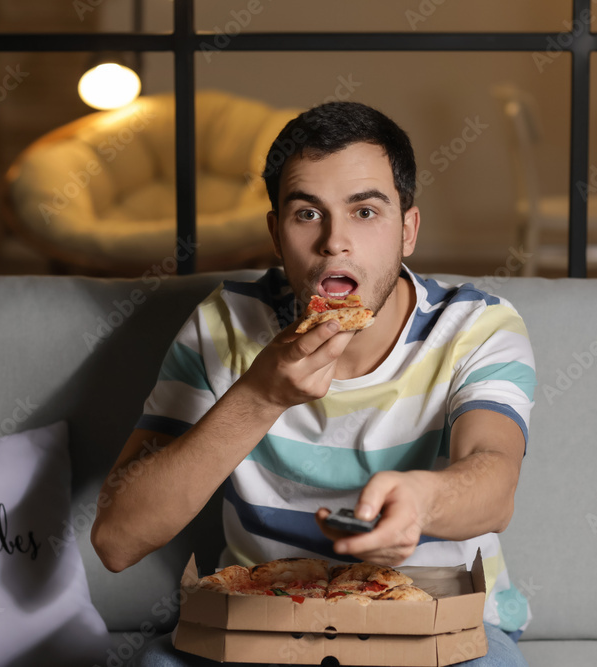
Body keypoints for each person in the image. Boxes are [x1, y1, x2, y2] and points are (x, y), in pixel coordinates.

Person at [91, 100, 536, 667]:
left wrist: (421, 503)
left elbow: (496, 481)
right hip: (265, 622)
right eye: (307, 214)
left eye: (365, 212)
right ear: (276, 233)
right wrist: (260, 397)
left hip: (433, 625)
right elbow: (117, 539)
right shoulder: (223, 325)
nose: (334, 242)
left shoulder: (476, 327)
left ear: (408, 230)